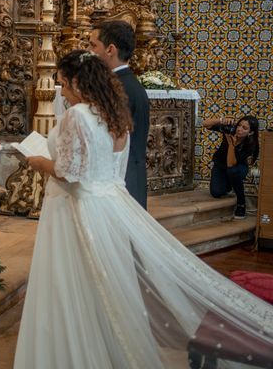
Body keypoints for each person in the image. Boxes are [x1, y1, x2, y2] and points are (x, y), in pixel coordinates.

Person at [14, 50, 273, 368]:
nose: (62, 91)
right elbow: (111, 159)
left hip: (72, 208)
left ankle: (69, 353)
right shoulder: (109, 113)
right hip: (101, 204)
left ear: (79, 83)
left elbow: (70, 174)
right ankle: (97, 347)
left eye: (64, 84)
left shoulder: (77, 115)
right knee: (95, 285)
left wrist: (37, 160)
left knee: (67, 284)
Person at [89, 19, 149, 209]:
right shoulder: (128, 83)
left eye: (93, 45)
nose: (90, 52)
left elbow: (111, 138)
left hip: (122, 179)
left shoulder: (117, 88)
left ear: (110, 49)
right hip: (131, 175)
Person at [203, 115, 259, 219]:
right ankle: (229, 184)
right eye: (239, 125)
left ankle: (241, 203)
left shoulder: (250, 145)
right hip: (220, 165)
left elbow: (231, 164)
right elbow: (205, 124)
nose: (239, 129)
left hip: (238, 168)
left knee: (232, 171)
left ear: (250, 132)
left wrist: (231, 145)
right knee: (216, 192)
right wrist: (221, 120)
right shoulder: (230, 129)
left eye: (244, 128)